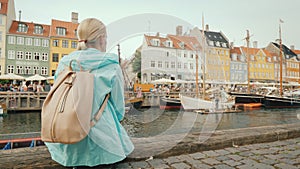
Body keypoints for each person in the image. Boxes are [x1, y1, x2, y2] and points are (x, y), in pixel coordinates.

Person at [44, 18, 134, 167]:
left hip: (68, 141)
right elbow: (118, 108)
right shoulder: (111, 65)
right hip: (103, 143)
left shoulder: (64, 63)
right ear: (101, 38)